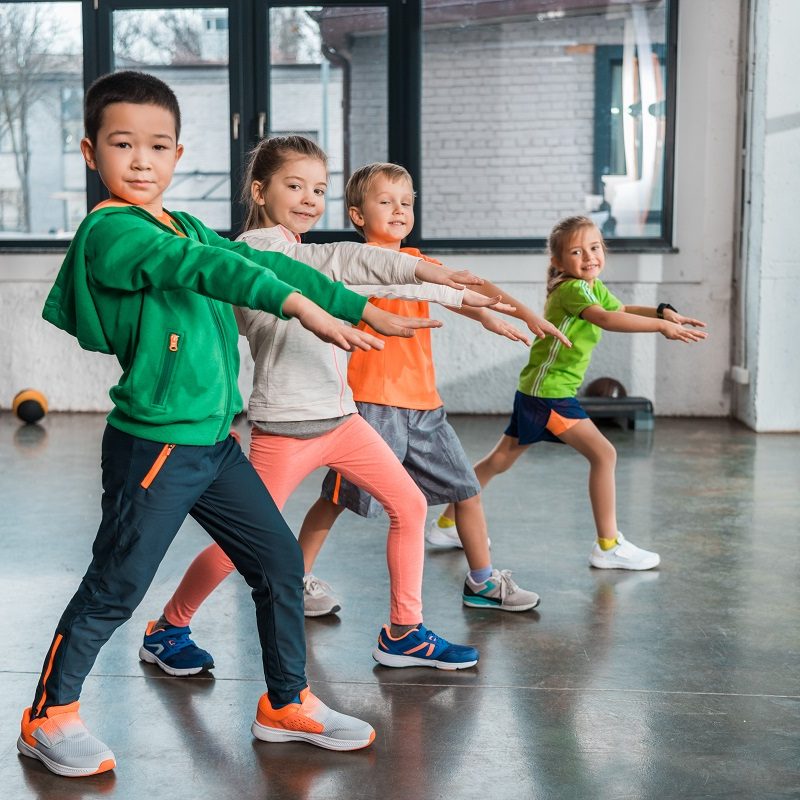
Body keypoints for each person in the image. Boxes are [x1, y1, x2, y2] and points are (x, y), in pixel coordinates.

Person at [16, 72, 442, 778]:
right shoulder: (111, 231)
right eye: (124, 144)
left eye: (158, 145)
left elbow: (251, 257)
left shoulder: (178, 221)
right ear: (92, 153)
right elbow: (206, 265)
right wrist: (301, 309)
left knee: (277, 563)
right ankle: (48, 717)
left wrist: (359, 308)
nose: (142, 160)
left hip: (214, 444)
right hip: (156, 443)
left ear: (179, 154)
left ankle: (285, 704)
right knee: (117, 587)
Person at [141, 136, 510, 678]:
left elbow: (362, 270)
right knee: (237, 546)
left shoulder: (305, 248)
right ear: (259, 189)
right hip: (285, 430)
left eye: (318, 189)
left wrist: (459, 295)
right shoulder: (256, 250)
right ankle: (169, 626)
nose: (310, 199)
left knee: (408, 506)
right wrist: (431, 278)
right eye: (295, 186)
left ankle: (404, 632)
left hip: (342, 422)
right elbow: (341, 260)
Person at [299, 162, 572, 616]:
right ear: (357, 214)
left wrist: (517, 312)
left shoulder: (421, 263)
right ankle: (294, 579)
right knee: (337, 498)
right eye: (385, 202)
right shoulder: (352, 262)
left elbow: (469, 289)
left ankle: (482, 582)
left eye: (406, 202)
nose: (399, 210)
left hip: (425, 406)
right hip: (372, 407)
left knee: (465, 489)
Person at [438, 215, 708, 570]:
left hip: (539, 389)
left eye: (595, 248)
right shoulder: (571, 289)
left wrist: (662, 312)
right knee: (604, 454)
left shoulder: (591, 286)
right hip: (549, 394)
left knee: (500, 460)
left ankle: (445, 525)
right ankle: (608, 545)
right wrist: (659, 327)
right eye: (577, 251)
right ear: (558, 262)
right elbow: (606, 319)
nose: (589, 257)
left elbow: (621, 309)